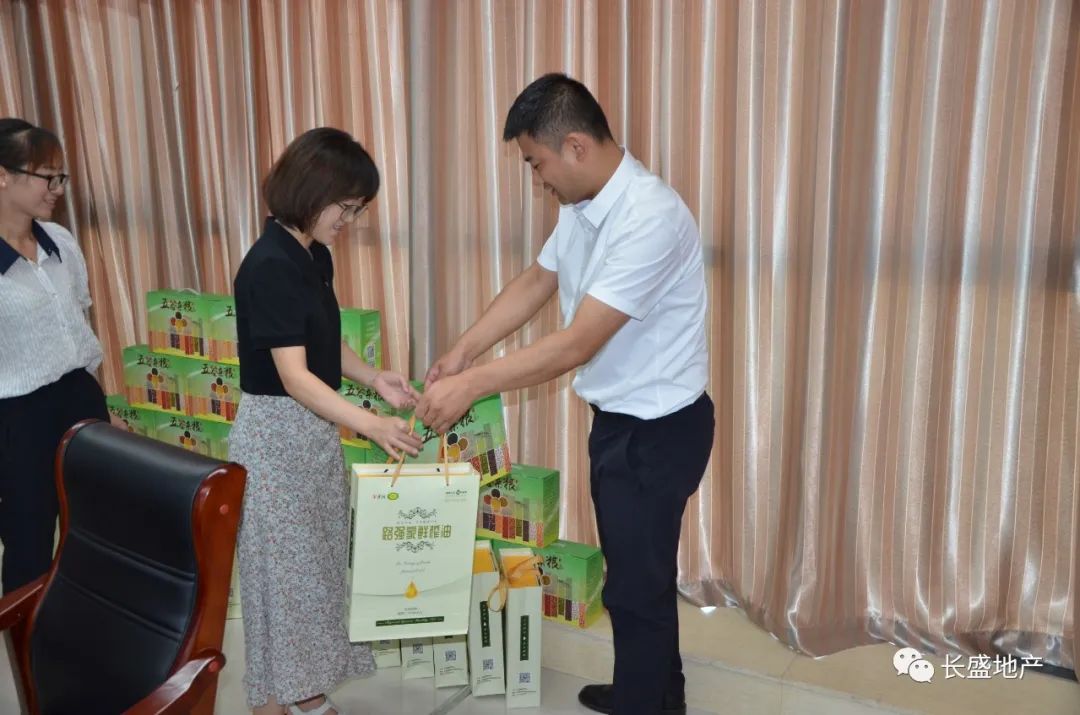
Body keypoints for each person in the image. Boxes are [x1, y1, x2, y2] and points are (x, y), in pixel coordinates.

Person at [418, 74, 714, 715]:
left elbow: (576, 343)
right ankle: (657, 692)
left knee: (635, 585)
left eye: (536, 163)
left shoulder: (650, 216)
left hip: (659, 430)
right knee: (637, 574)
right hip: (620, 421)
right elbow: (537, 280)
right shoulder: (584, 204)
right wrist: (464, 350)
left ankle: (644, 701)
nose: (538, 179)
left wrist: (471, 385)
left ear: (575, 146)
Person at [230, 127, 422, 715]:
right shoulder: (269, 265)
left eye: (358, 209)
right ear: (312, 191)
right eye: (347, 207)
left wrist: (374, 378)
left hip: (312, 431)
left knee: (315, 571)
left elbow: (323, 344)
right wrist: (371, 424)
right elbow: (294, 376)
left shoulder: (313, 255)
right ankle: (273, 701)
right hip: (274, 438)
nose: (351, 221)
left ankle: (304, 690)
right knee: (281, 581)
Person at [0, 118, 114, 594]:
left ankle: (89, 625)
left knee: (97, 529)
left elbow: (79, 322)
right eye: (47, 177)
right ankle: (28, 639)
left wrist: (99, 402)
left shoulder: (60, 240)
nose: (58, 189)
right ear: (3, 175)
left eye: (60, 177)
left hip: (80, 398)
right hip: (18, 416)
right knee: (28, 540)